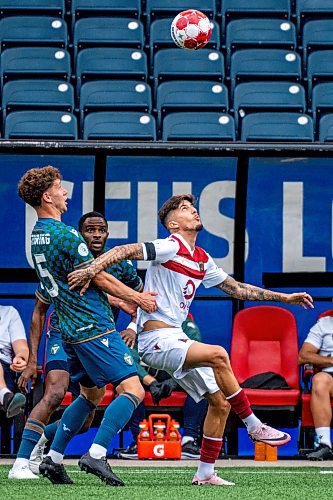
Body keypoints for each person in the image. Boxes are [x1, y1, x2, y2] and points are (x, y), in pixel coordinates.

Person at [68, 193, 314, 486]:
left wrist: (286, 297)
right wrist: (92, 268)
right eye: (186, 209)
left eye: (193, 207)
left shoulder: (201, 259)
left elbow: (236, 289)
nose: (194, 212)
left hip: (176, 337)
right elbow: (123, 250)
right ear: (173, 223)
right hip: (156, 339)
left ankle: (205, 472)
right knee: (219, 354)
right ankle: (254, 425)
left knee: (220, 402)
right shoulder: (169, 245)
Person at [10, 166, 157, 486]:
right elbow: (98, 276)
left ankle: (53, 458)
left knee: (90, 396)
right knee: (134, 389)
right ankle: (97, 453)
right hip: (93, 326)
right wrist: (137, 297)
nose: (66, 193)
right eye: (60, 188)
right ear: (47, 196)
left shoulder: (37, 236)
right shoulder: (65, 234)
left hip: (69, 330)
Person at [118, 313, 207, 460]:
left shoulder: (186, 323)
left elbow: (195, 354)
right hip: (146, 378)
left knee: (202, 383)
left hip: (177, 377)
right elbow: (129, 357)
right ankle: (140, 439)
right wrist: (150, 382)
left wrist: (174, 381)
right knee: (126, 385)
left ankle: (189, 442)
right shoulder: (142, 324)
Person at [298, 312, 333, 461]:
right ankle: (324, 444)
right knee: (319, 381)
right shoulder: (324, 324)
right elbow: (303, 356)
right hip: (330, 375)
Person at [0, 305, 28, 418]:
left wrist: (20, 358)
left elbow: (22, 348)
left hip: (3, 367)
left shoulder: (9, 313)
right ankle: (5, 397)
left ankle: (5, 395)